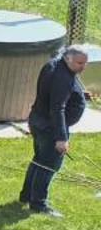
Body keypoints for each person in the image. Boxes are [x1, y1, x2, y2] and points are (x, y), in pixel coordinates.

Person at [21, 46, 91, 218]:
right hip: (50, 126)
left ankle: (26, 196)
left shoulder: (54, 65)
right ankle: (38, 204)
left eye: (85, 63)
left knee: (39, 160)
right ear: (68, 58)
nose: (83, 67)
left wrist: (78, 94)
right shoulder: (62, 77)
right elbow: (57, 108)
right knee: (49, 165)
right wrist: (61, 138)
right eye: (80, 63)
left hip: (38, 120)